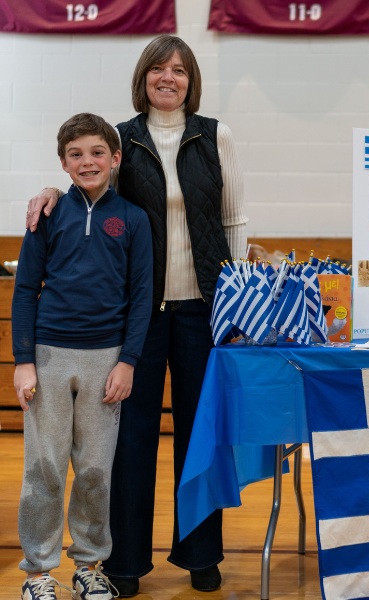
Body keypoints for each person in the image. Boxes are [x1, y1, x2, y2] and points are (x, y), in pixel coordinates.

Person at [26, 35, 248, 597]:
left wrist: (238, 305)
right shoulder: (121, 139)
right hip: (139, 317)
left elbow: (234, 223)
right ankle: (123, 562)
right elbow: (91, 186)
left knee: (202, 437)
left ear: (191, 78)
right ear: (143, 77)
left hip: (203, 311)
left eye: (178, 69)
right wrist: (50, 189)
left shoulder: (216, 135)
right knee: (131, 442)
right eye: (158, 69)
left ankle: (201, 554)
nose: (167, 78)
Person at [14, 113, 153, 600]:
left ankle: (90, 565)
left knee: (95, 470)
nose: (87, 161)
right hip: (49, 357)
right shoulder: (47, 215)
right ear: (63, 163)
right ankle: (38, 573)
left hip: (106, 361)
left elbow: (141, 297)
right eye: (76, 154)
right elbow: (26, 287)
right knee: (45, 467)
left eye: (97, 152)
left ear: (116, 159)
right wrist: (23, 360)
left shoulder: (133, 219)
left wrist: (128, 360)